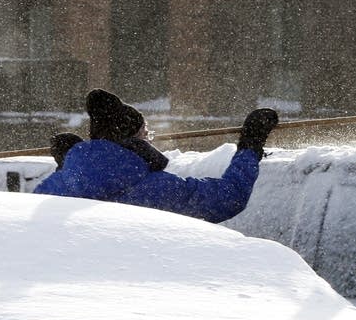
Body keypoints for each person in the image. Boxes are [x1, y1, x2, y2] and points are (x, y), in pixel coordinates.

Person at [33, 88, 278, 223]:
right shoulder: (150, 188)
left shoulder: (55, 187)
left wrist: (67, 164)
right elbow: (228, 199)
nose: (150, 139)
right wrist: (250, 144)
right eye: (146, 132)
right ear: (134, 139)